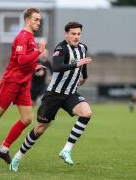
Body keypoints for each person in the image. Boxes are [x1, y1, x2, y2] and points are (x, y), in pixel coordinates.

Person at [9, 21, 92, 172]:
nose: (76, 36)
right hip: (53, 95)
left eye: (78, 34)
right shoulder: (61, 48)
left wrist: (84, 76)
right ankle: (18, 157)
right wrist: (77, 64)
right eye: (73, 34)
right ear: (66, 34)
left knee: (86, 113)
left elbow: (83, 64)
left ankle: (66, 150)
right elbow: (56, 67)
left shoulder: (83, 48)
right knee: (40, 129)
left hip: (71, 93)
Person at [0, 8, 47, 164]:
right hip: (12, 82)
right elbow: (22, 61)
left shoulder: (30, 37)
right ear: (27, 20)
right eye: (36, 19)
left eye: (40, 20)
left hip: (23, 84)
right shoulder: (23, 37)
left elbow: (23, 61)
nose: (38, 22)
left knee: (27, 119)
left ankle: (3, 149)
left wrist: (34, 66)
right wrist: (39, 52)